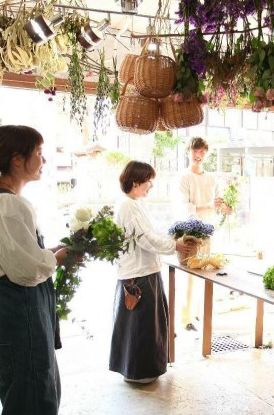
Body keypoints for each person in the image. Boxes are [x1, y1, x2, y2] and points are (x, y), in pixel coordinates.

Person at [0, 125, 68, 415]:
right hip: (20, 312)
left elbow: (12, 258)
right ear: (17, 159)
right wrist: (57, 258)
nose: (43, 160)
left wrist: (47, 253)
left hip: (5, 308)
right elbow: (25, 270)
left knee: (25, 391)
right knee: (33, 396)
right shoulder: (8, 205)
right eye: (38, 153)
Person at [110, 160, 192, 383]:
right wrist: (173, 246)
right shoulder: (128, 205)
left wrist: (170, 239)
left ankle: (140, 370)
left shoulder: (134, 203)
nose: (150, 187)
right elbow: (143, 238)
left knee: (144, 325)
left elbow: (150, 233)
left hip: (142, 270)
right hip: (139, 273)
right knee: (142, 326)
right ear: (136, 182)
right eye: (149, 183)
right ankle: (139, 371)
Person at [177, 137, 230, 331]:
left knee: (206, 273)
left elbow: (219, 204)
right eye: (194, 151)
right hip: (189, 234)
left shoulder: (211, 179)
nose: (198, 155)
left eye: (202, 152)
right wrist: (208, 206)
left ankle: (199, 314)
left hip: (208, 232)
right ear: (188, 152)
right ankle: (185, 319)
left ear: (206, 153)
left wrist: (225, 207)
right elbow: (184, 208)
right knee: (189, 275)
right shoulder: (184, 177)